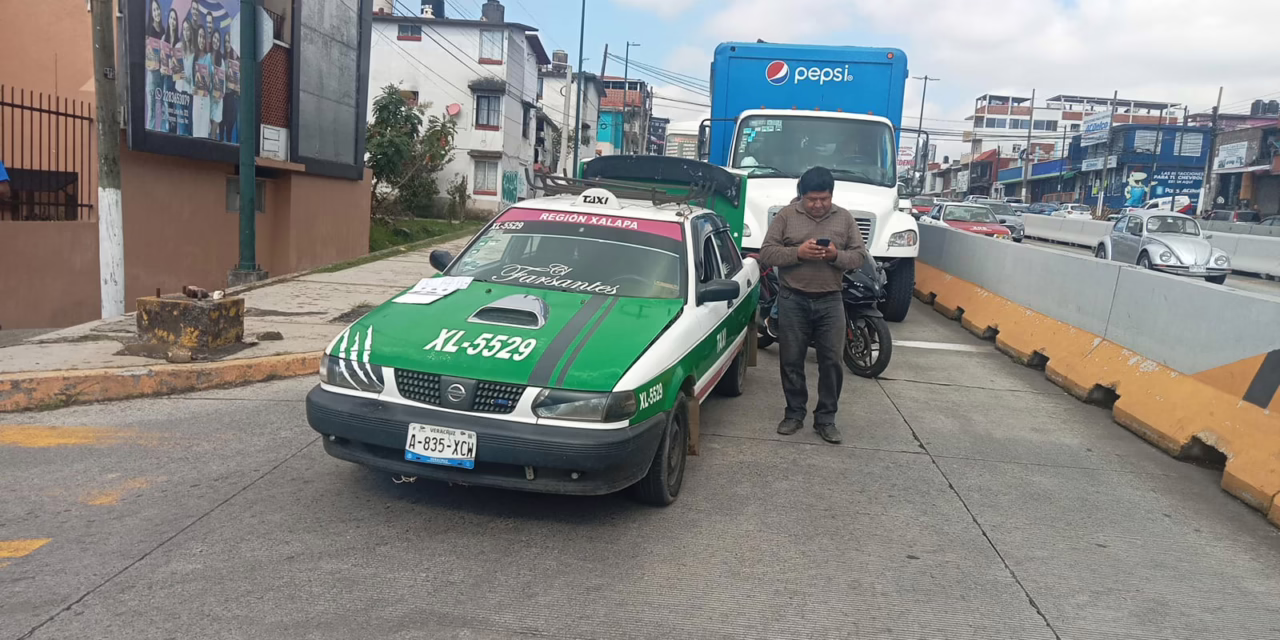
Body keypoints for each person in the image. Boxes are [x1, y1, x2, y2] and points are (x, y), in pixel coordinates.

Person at [759, 166, 865, 444]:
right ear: (801, 196)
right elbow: (767, 253)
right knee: (791, 360)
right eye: (812, 199)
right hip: (793, 299)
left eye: (824, 199)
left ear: (832, 195)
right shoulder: (786, 216)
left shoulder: (844, 218)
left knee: (832, 362)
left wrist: (835, 256)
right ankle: (794, 413)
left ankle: (826, 419)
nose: (818, 205)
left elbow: (859, 256)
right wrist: (798, 253)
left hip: (831, 300)